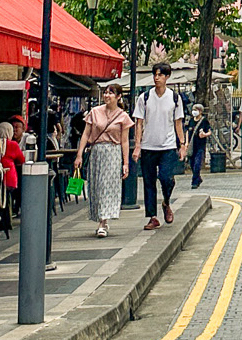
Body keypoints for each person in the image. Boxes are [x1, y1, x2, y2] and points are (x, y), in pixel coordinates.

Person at [72, 83, 132, 239]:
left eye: (111, 93)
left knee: (107, 185)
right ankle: (100, 217)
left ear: (118, 97)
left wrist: (125, 163)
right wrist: (79, 155)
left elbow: (124, 141)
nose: (107, 96)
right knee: (96, 186)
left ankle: (103, 222)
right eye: (105, 93)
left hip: (113, 152)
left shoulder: (123, 117)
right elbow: (86, 134)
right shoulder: (94, 112)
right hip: (96, 152)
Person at [135, 60, 186, 229]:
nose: (157, 78)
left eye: (160, 75)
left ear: (167, 77)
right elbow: (139, 123)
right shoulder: (145, 97)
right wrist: (137, 146)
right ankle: (153, 217)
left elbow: (178, 122)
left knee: (166, 178)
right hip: (148, 146)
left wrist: (182, 144)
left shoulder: (174, 98)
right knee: (149, 182)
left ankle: (166, 202)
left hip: (168, 146)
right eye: (155, 75)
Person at [188, 102, 212, 187]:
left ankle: (194, 182)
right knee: (192, 164)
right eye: (193, 110)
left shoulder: (204, 121)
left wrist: (204, 135)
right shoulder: (191, 121)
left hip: (200, 146)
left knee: (197, 164)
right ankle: (198, 178)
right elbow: (188, 132)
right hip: (192, 146)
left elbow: (209, 131)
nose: (194, 111)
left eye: (196, 110)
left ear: (200, 111)